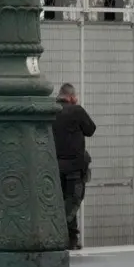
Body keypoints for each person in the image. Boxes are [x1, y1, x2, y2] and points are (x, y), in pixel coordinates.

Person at [52, 83, 95, 251]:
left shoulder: (51, 110)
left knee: (63, 201)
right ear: (71, 97)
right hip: (74, 167)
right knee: (74, 201)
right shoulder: (76, 111)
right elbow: (90, 129)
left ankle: (71, 239)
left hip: (54, 167)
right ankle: (61, 233)